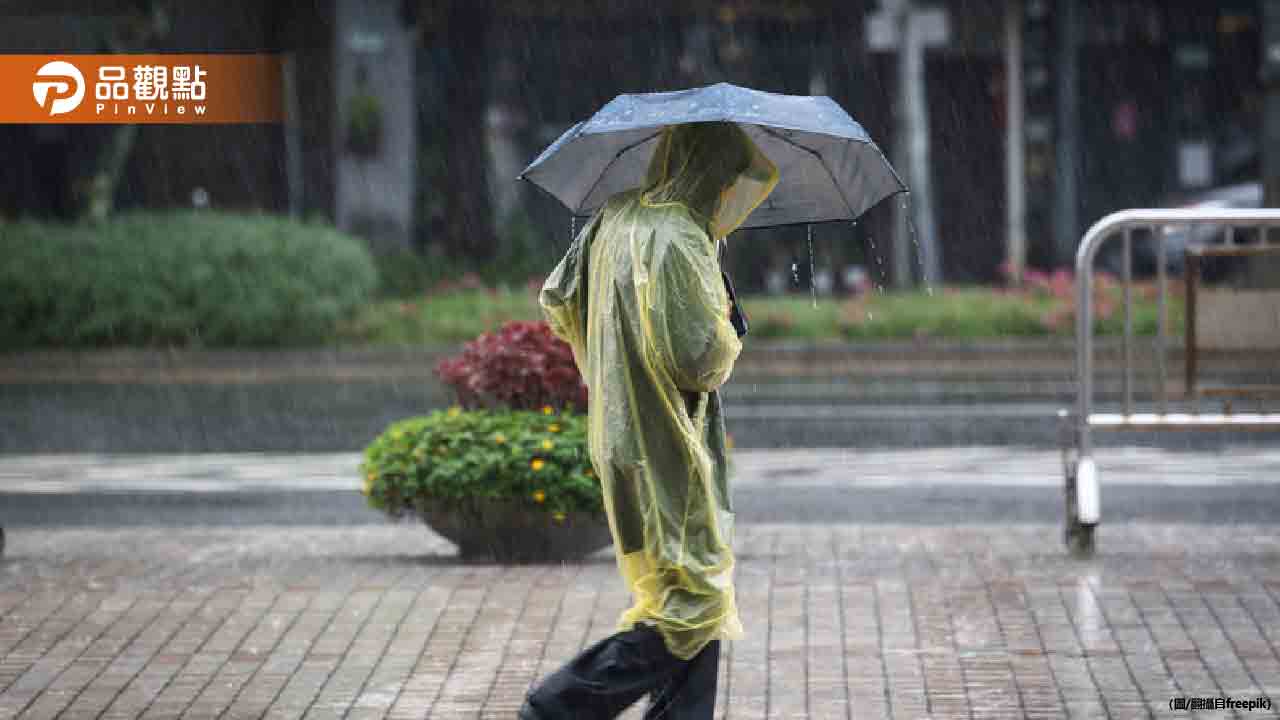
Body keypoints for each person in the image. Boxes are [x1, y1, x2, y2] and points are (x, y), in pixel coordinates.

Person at [523, 121, 778, 719]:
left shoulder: (614, 217)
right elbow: (698, 358)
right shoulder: (682, 236)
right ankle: (561, 703)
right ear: (711, 172)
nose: (727, 197)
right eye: (727, 180)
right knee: (691, 601)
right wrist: (725, 325)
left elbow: (560, 297)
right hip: (669, 441)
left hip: (618, 432)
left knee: (682, 591)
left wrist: (617, 349)